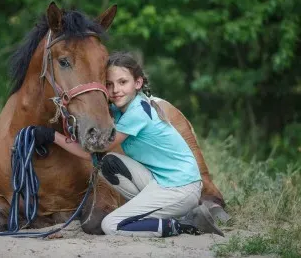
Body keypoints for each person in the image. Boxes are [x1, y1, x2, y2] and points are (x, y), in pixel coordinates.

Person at [34, 51, 224, 238]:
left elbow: (92, 151)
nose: (116, 90)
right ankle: (164, 211)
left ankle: (185, 224)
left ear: (138, 83)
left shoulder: (137, 114)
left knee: (111, 224)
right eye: (109, 84)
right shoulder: (120, 110)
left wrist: (53, 136)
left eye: (123, 82)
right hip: (160, 180)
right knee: (108, 163)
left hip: (181, 186)